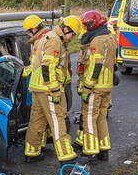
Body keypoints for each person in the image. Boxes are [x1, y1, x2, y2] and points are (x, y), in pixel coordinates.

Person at [22, 14, 84, 163]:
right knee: (58, 120)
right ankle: (66, 157)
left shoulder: (47, 37)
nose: (72, 38)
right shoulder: (55, 40)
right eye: (73, 34)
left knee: (37, 121)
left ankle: (32, 152)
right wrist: (55, 90)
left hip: (38, 87)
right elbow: (47, 67)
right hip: (48, 88)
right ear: (66, 28)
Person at [76, 10, 117, 160]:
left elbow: (96, 66)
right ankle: (103, 148)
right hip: (106, 86)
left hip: (96, 87)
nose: (86, 29)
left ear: (93, 24)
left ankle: (91, 150)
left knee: (89, 117)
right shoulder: (110, 36)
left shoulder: (97, 40)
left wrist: (87, 87)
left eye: (87, 25)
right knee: (101, 117)